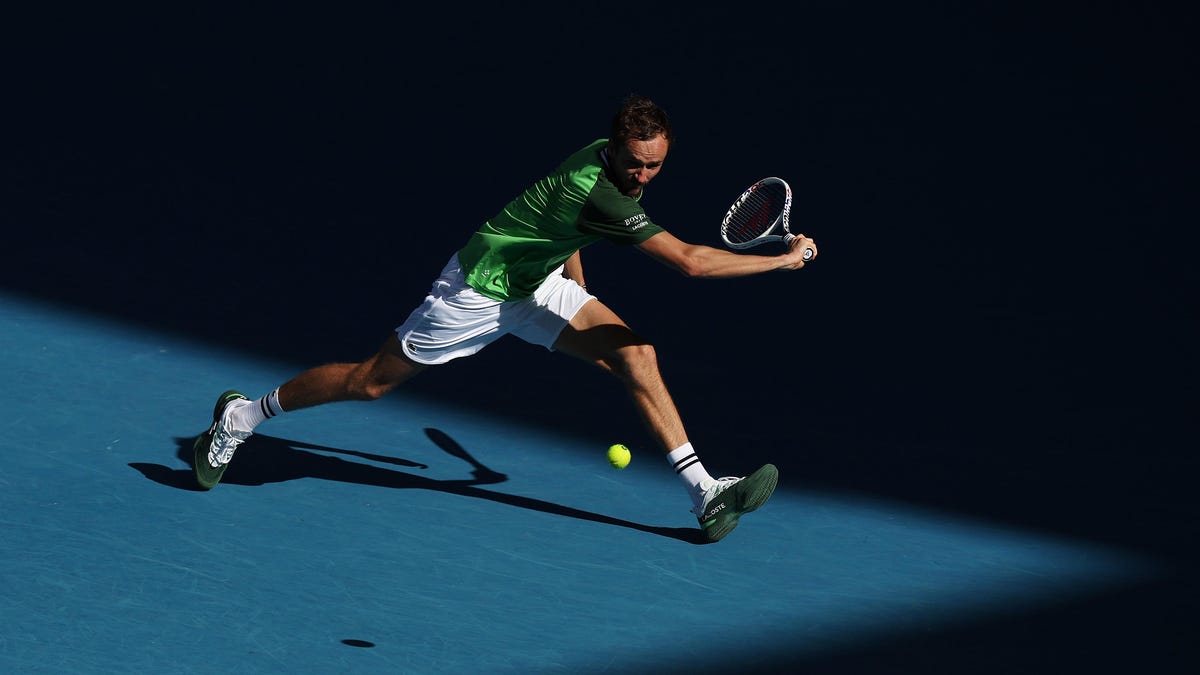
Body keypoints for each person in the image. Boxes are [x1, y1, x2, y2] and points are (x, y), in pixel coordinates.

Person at [193, 94, 817, 543]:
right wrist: (783, 263)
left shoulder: (606, 163)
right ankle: (241, 416)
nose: (643, 174)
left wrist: (570, 263)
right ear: (615, 149)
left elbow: (563, 215)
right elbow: (689, 264)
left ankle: (704, 494)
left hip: (536, 283)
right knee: (371, 382)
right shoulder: (601, 187)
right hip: (478, 289)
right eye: (634, 163)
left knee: (637, 355)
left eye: (654, 164)